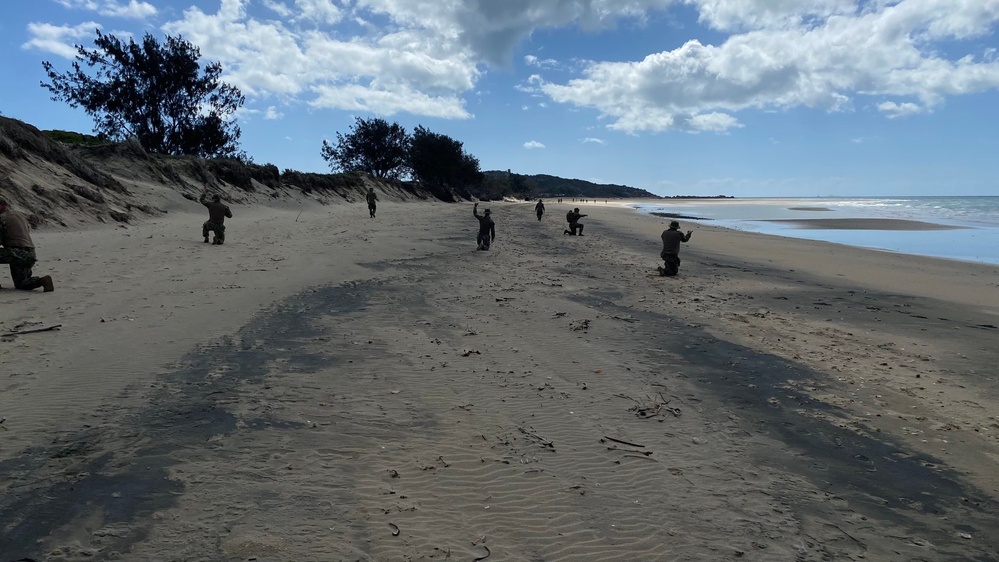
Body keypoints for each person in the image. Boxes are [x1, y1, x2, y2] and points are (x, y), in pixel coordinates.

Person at [0, 198, 54, 292]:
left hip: (17, 253)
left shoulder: (2, 218)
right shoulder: (19, 215)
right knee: (21, 283)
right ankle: (42, 281)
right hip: (30, 253)